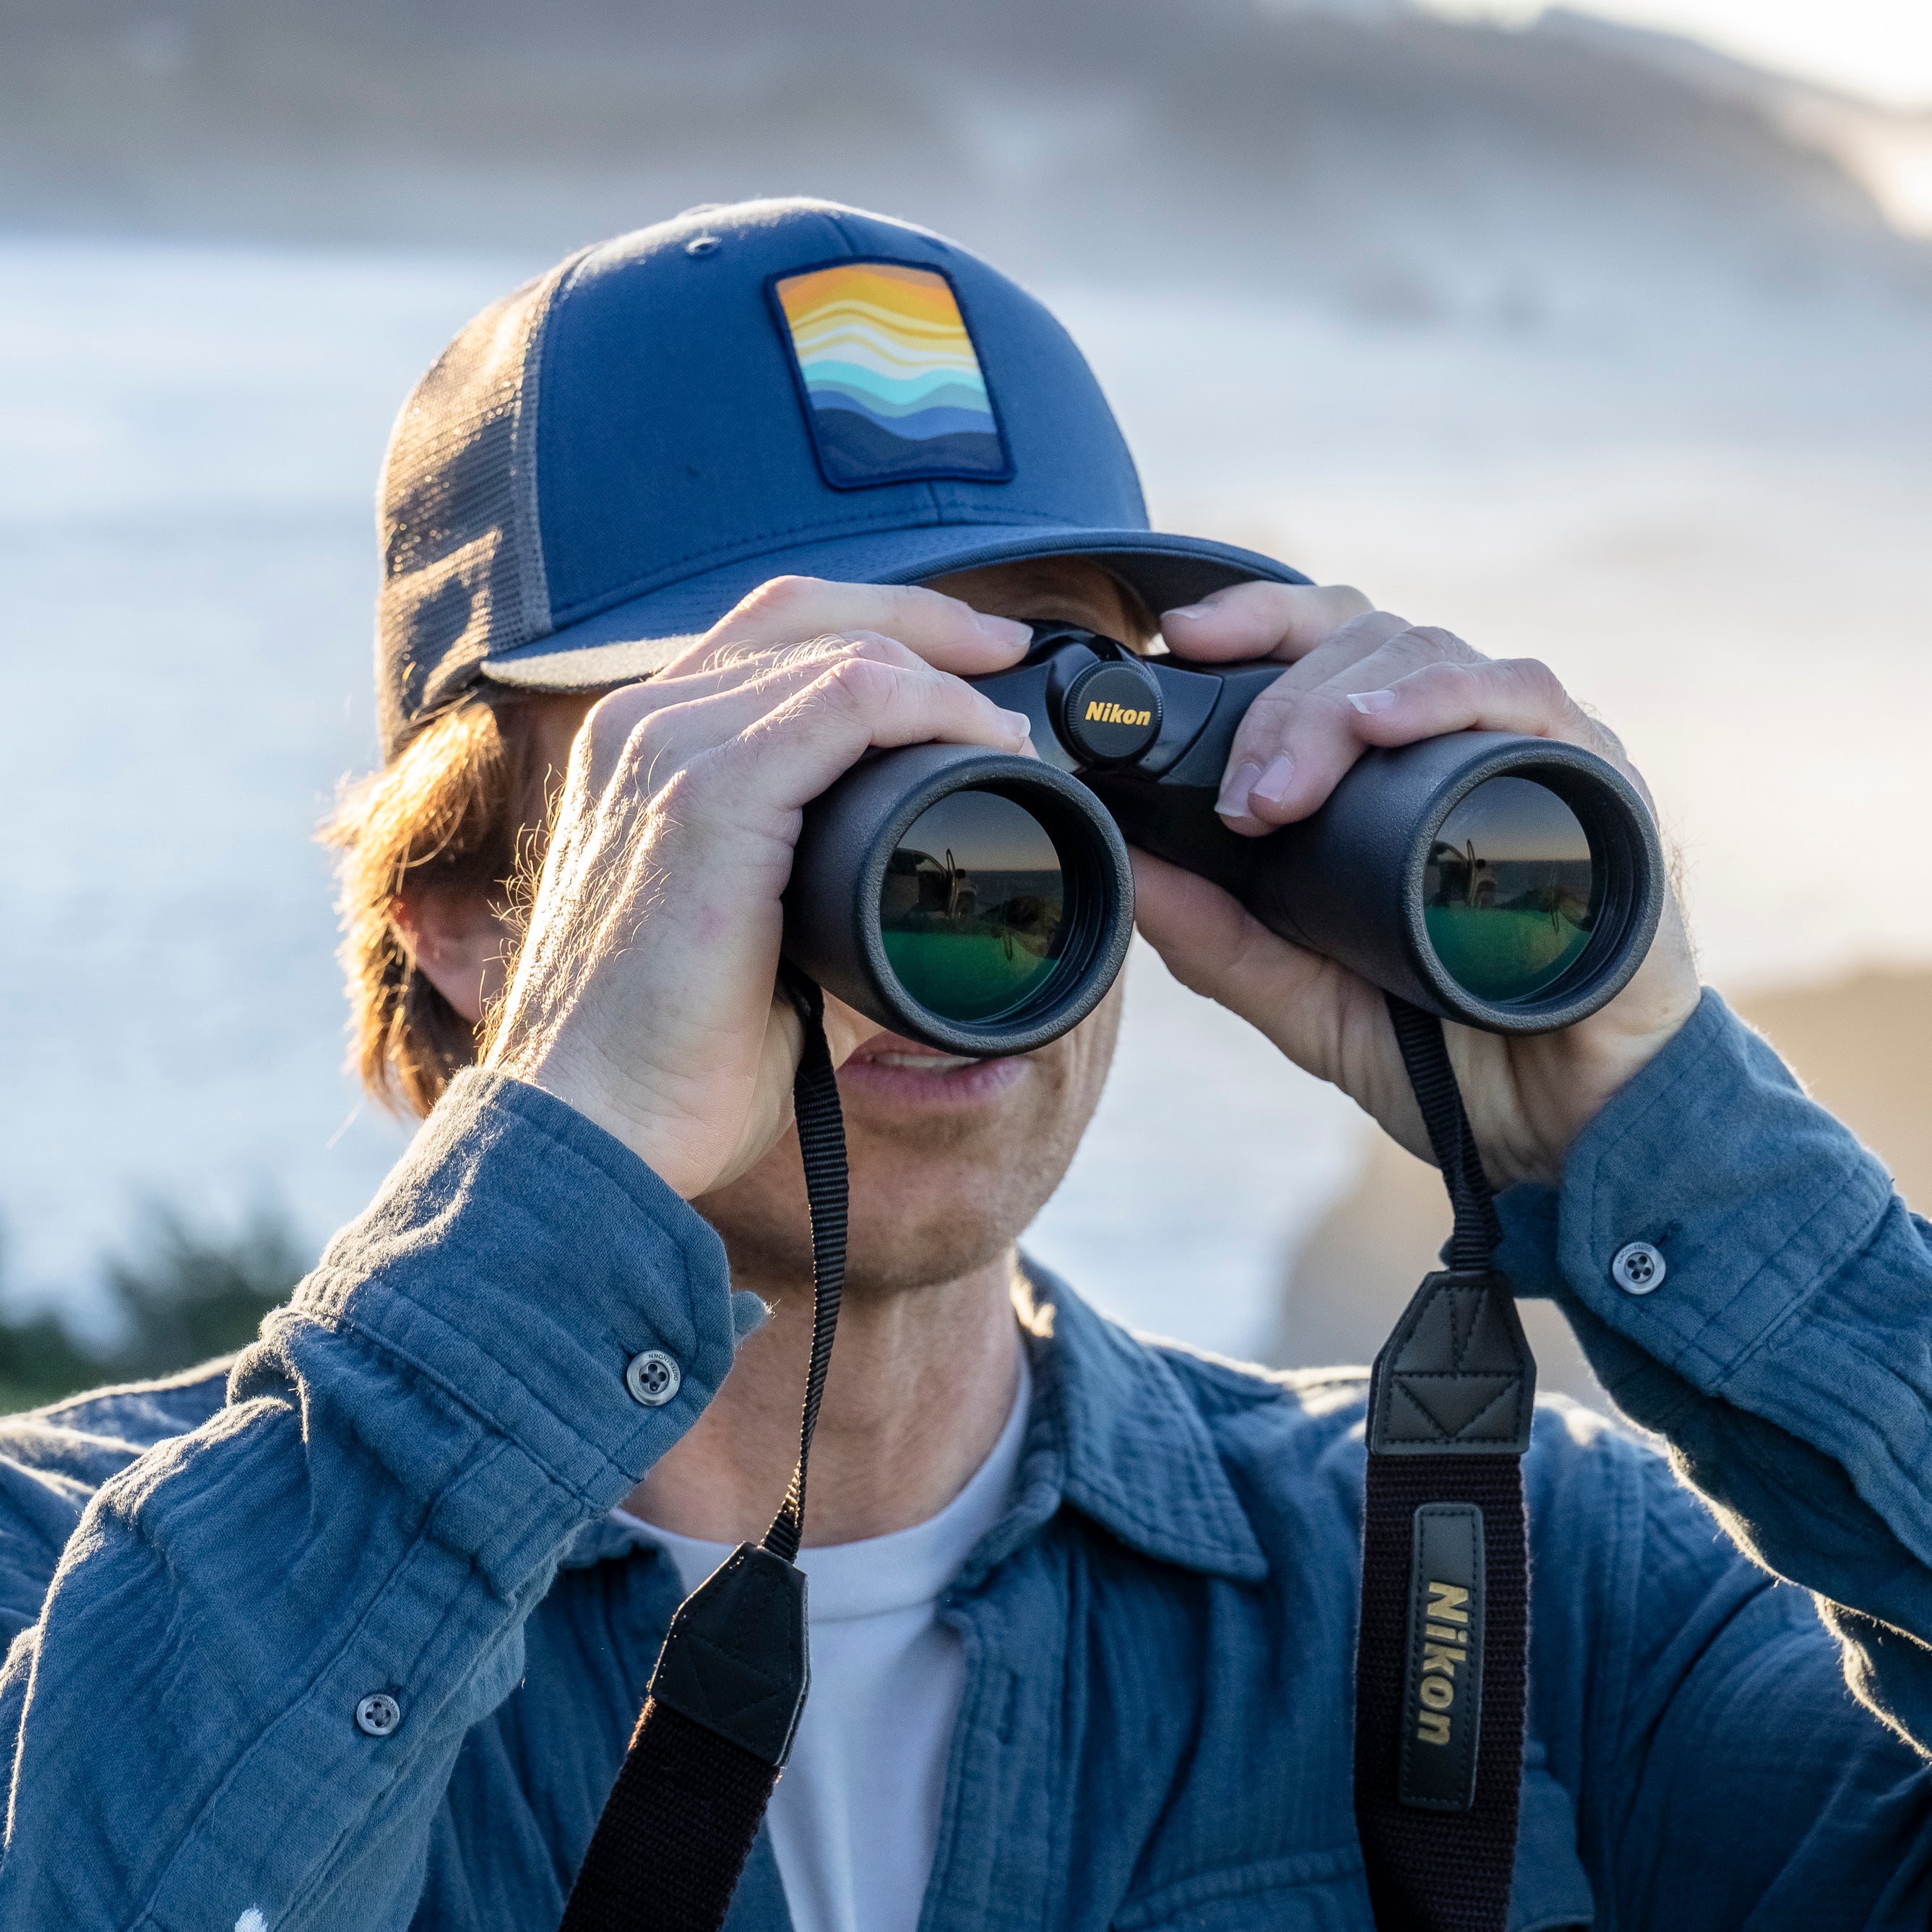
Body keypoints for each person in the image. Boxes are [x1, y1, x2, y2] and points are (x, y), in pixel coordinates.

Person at [1, 198, 1928, 1932]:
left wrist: (1668, 1131)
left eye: (1034, 764)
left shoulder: (1523, 1585)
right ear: (480, 917)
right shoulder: (73, 1587)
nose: (954, 904)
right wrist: (562, 1155)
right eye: (788, 764)